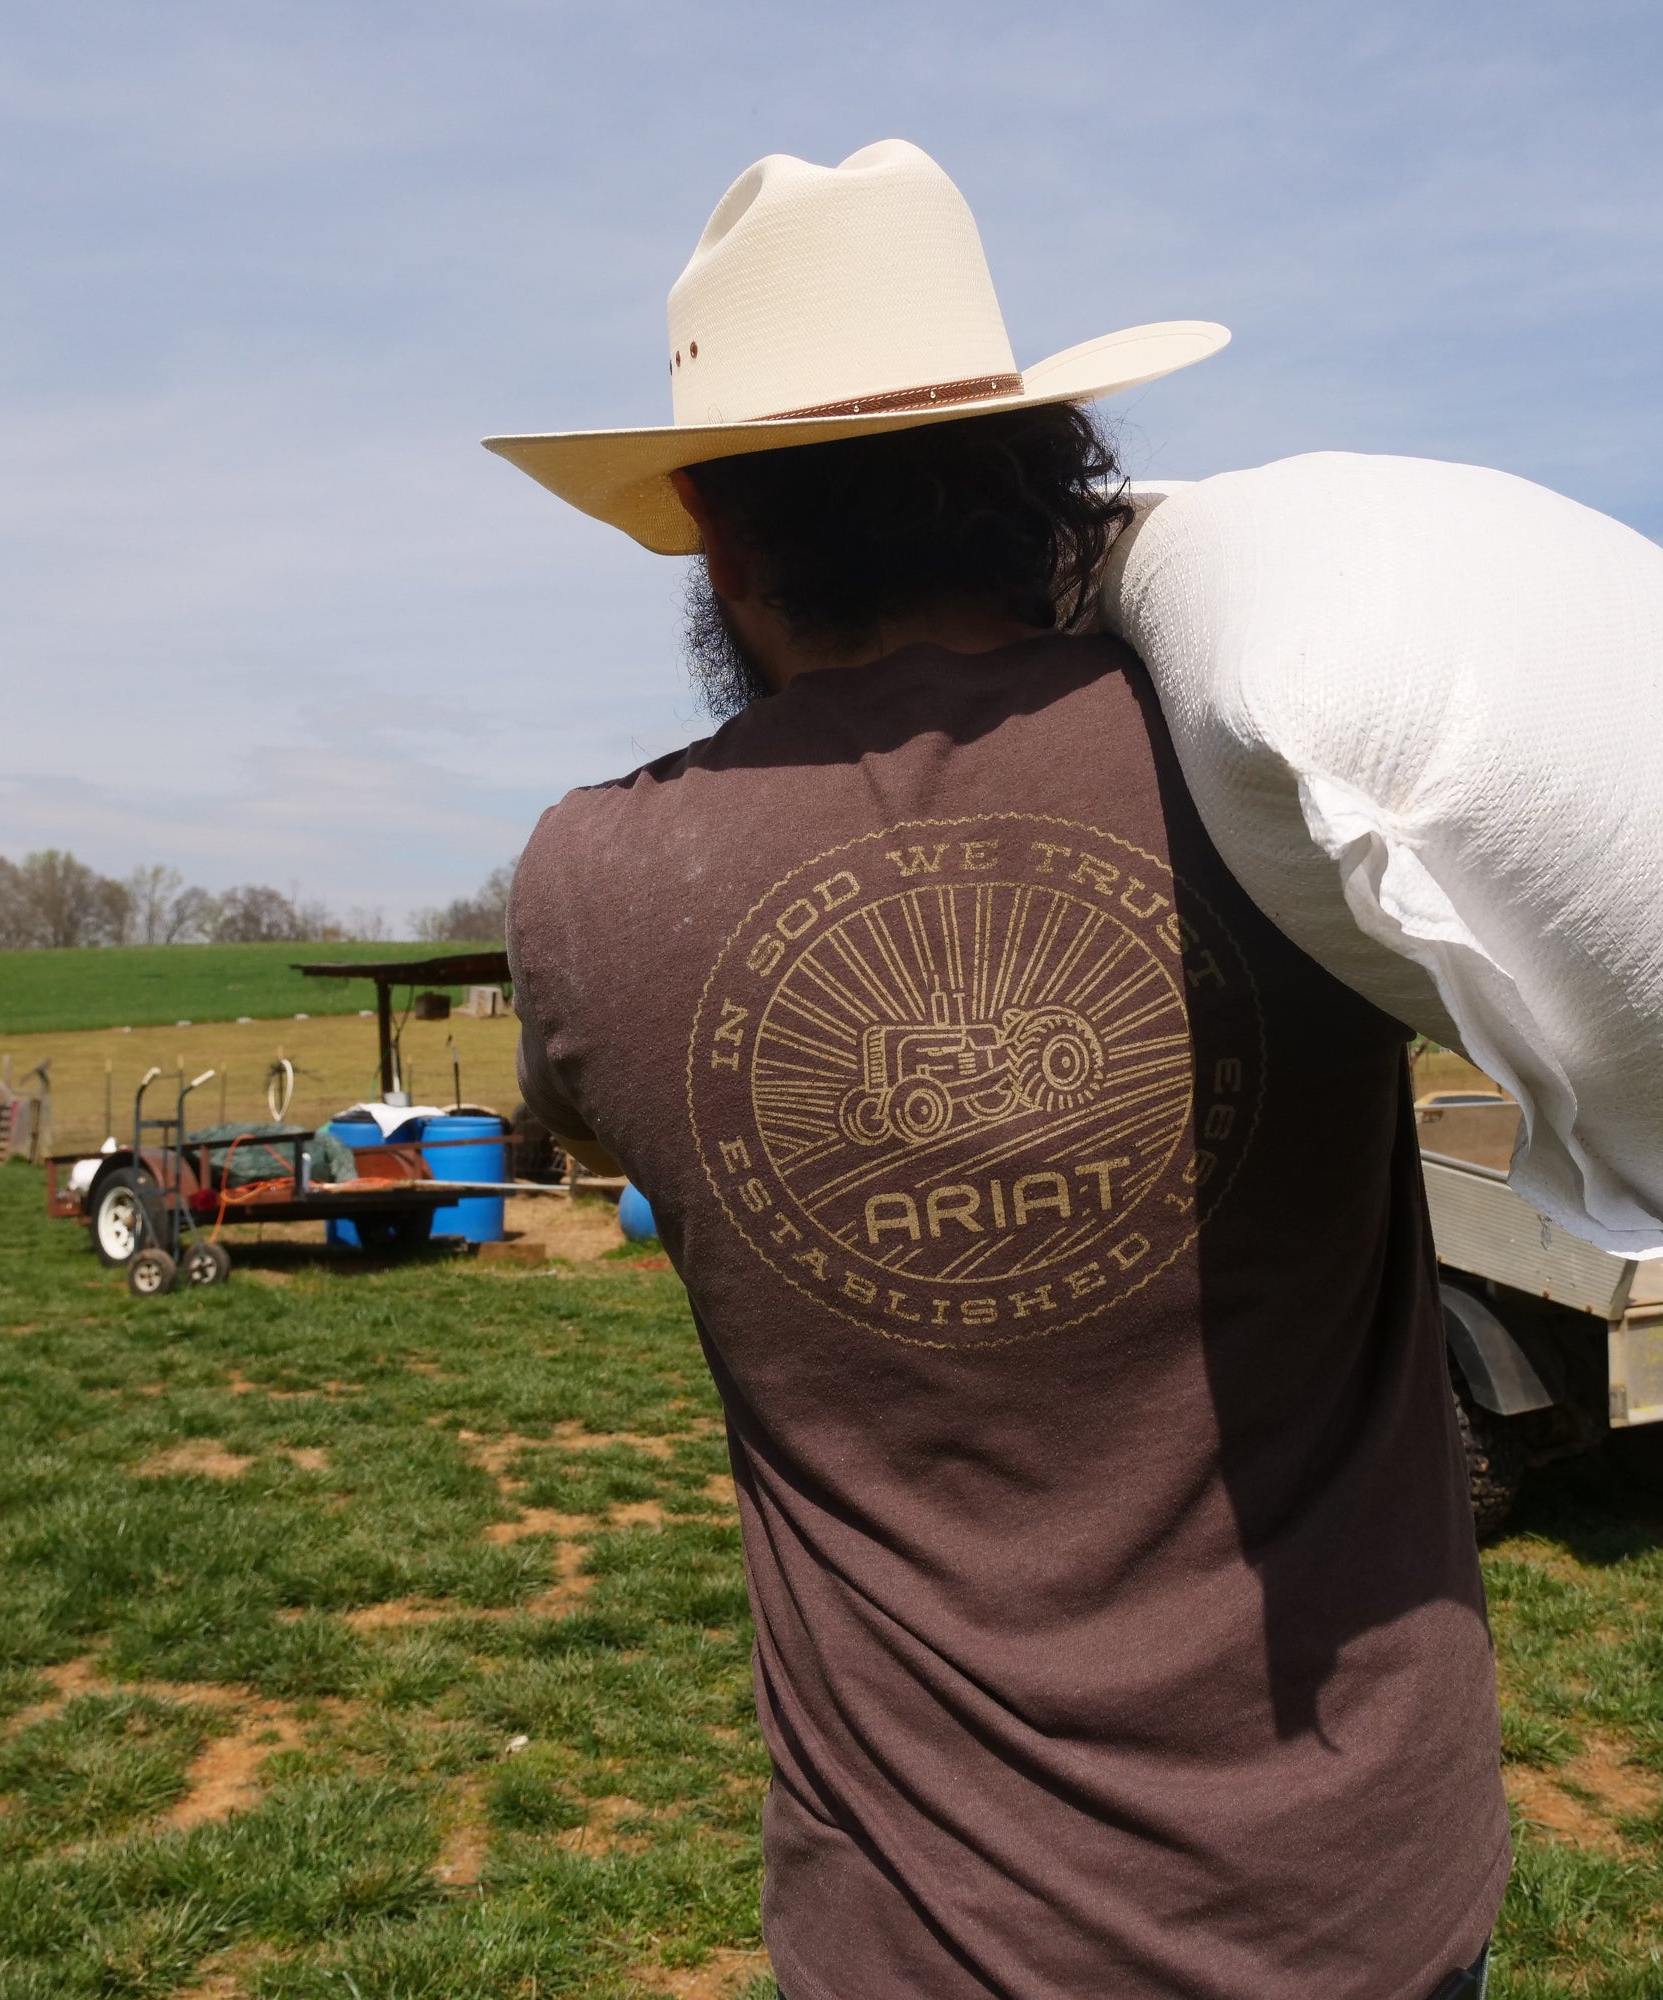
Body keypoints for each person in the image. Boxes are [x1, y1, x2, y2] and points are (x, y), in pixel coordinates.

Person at [493, 139, 1507, 2000]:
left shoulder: (592, 887)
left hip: (930, 1939)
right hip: (1363, 1900)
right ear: (1054, 473)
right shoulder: (1284, 776)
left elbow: (571, 1122)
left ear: (717, 536)